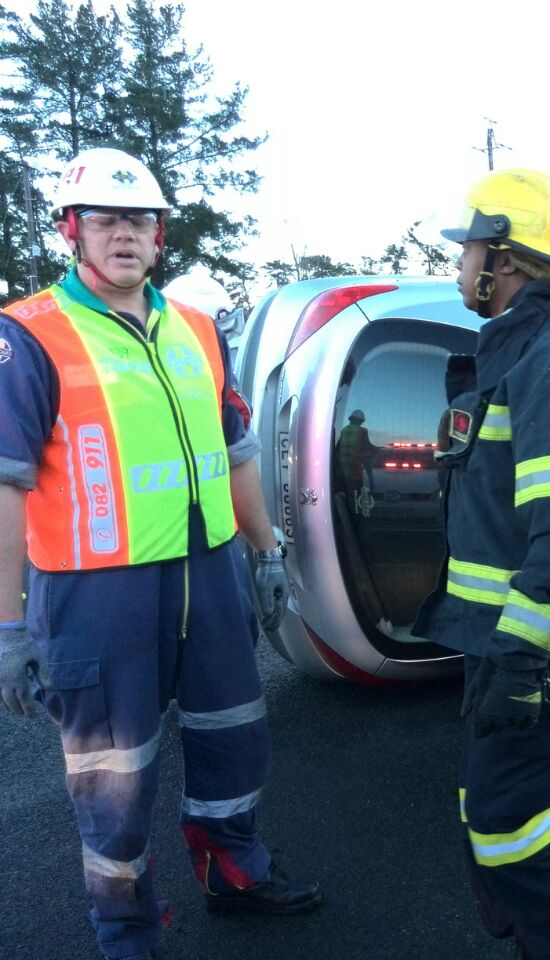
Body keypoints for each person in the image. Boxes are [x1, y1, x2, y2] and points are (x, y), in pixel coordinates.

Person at [0, 147, 320, 960]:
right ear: (72, 230)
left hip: (209, 577)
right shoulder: (29, 336)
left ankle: (233, 872)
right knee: (116, 778)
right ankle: (128, 932)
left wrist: (267, 548)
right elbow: (4, 488)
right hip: (93, 593)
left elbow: (237, 450)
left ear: (160, 233)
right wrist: (7, 627)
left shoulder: (199, 330)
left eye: (139, 218)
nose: (124, 234)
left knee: (234, 736)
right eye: (104, 218)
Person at [411, 169, 550, 960]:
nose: (461, 263)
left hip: (548, 643)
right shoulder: (522, 349)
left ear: (503, 258)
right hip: (515, 636)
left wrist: (518, 656)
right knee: (490, 800)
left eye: (469, 248)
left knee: (505, 822)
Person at [336, 408, 377, 498]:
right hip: (353, 472)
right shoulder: (362, 431)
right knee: (355, 500)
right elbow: (366, 451)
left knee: (342, 497)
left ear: (351, 419)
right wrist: (371, 479)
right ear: (361, 421)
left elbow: (337, 449)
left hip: (340, 472)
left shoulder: (344, 430)